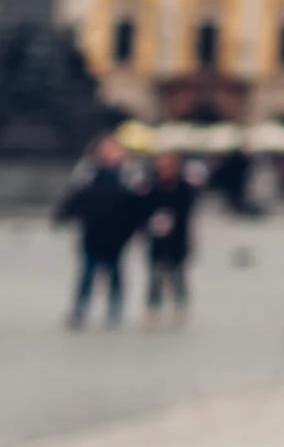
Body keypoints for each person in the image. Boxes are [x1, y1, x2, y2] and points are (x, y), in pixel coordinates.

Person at [55, 137, 142, 330]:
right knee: (87, 274)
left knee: (115, 275)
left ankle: (115, 312)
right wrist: (63, 216)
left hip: (117, 234)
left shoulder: (129, 177)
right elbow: (75, 199)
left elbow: (136, 206)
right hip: (92, 232)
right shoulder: (88, 174)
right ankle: (80, 310)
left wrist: (136, 229)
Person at [139, 152, 200, 323]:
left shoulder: (184, 188)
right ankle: (153, 308)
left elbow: (187, 212)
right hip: (156, 241)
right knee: (155, 277)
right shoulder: (151, 187)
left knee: (178, 275)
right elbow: (142, 210)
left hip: (177, 240)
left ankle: (180, 306)